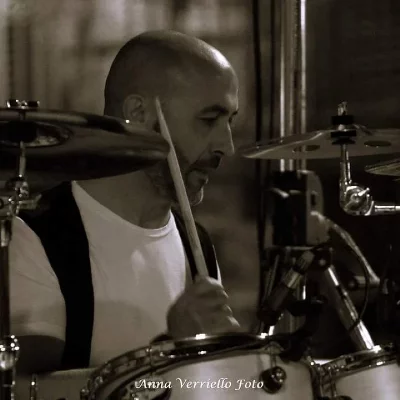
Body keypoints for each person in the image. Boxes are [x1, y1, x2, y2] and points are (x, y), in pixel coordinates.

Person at [9, 30, 241, 377]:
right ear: (138, 113)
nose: (227, 145)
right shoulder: (35, 236)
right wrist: (170, 349)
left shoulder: (198, 246)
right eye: (209, 120)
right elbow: (33, 391)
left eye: (230, 121)